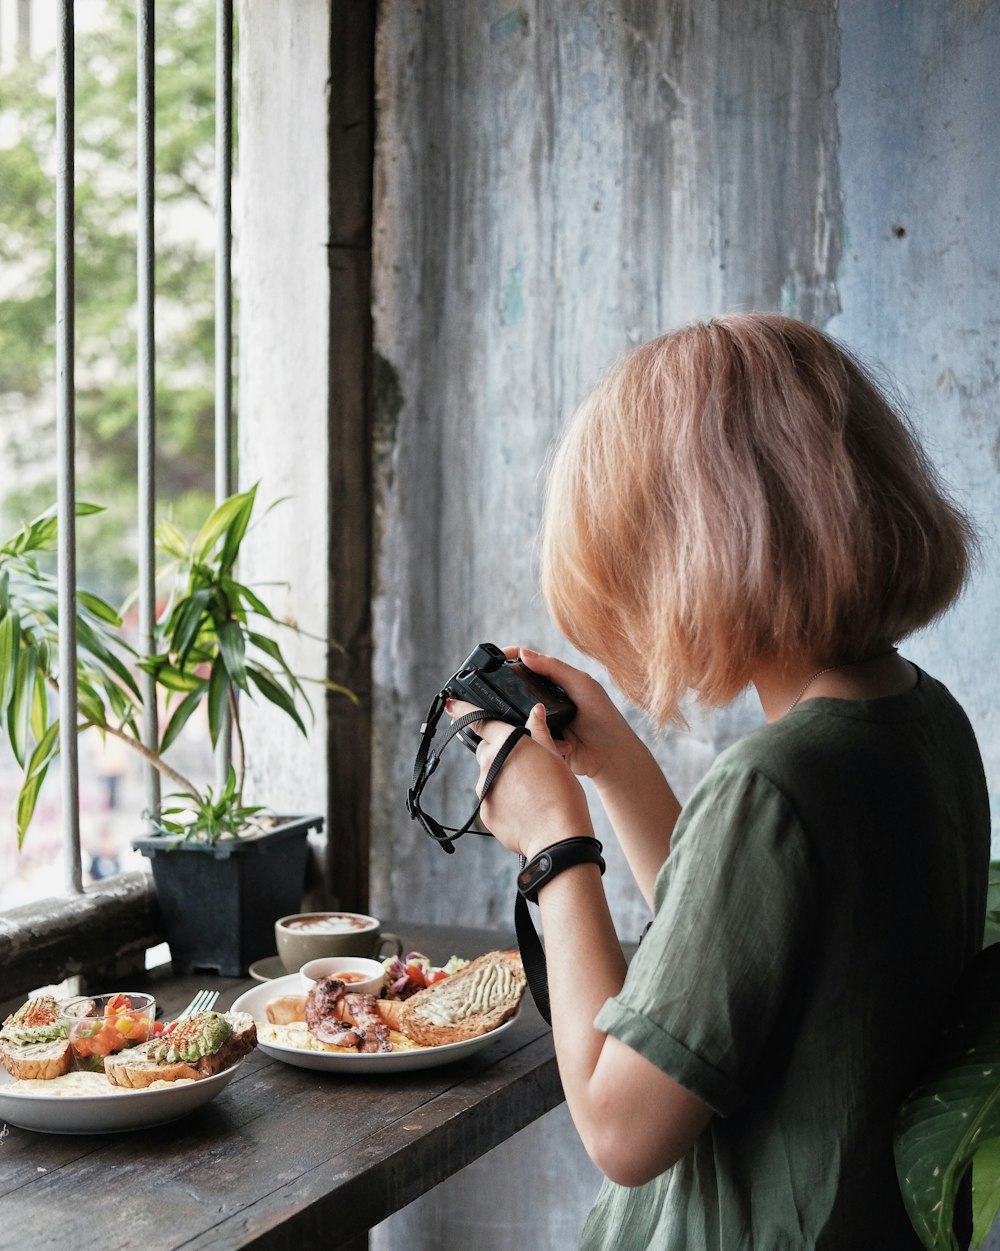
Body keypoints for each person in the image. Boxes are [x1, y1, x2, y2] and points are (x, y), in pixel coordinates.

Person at [446, 314, 990, 1249]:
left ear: (699, 556)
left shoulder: (773, 783)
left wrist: (555, 851)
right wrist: (614, 763)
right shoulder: (923, 720)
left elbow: (620, 1129)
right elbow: (740, 951)